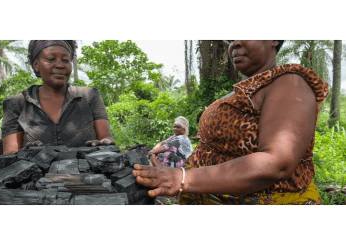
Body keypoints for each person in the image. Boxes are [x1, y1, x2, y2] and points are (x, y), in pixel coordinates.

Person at [132, 40, 329, 205]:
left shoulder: (289, 83)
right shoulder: (242, 91)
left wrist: (185, 178)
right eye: (232, 37)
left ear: (274, 39)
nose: (235, 44)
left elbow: (276, 163)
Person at [1, 40, 115, 154]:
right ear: (36, 65)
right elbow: (10, 153)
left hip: (87, 171)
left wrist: (104, 143)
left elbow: (106, 137)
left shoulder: (90, 96)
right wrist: (29, 154)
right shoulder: (17, 104)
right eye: (51, 59)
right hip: (35, 171)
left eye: (66, 60)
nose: (60, 65)